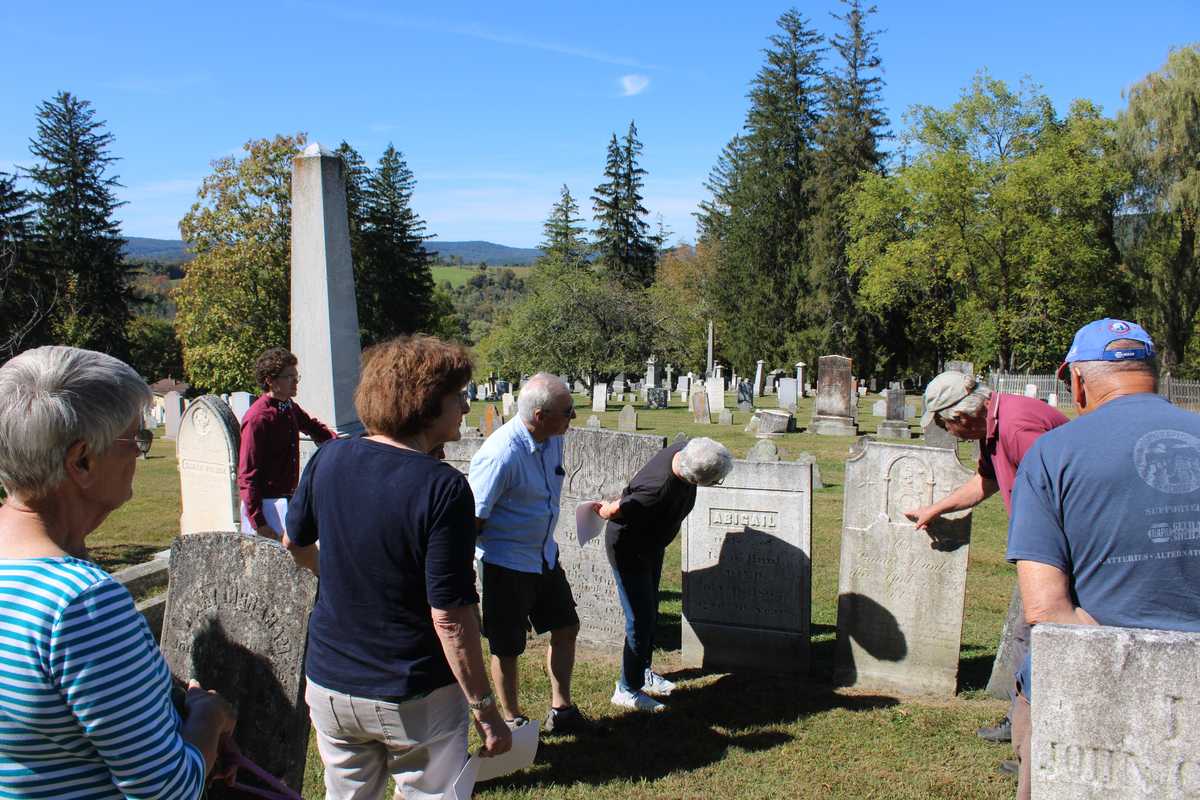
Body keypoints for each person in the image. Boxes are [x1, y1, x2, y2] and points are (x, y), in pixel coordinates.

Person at [0, 346, 237, 799]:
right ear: (83, 461)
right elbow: (167, 790)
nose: (139, 453)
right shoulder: (79, 604)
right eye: (136, 439)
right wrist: (208, 717)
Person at [285, 335, 511, 799]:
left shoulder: (328, 457)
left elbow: (295, 541)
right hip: (413, 691)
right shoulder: (443, 488)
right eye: (458, 396)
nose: (465, 408)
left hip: (330, 681)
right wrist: (485, 709)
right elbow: (449, 614)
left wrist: (338, 578)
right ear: (427, 403)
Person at [1006, 318, 1200, 800]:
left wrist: (1132, 684)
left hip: (1088, 691)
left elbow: (1045, 609)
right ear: (1154, 373)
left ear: (1076, 381)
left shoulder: (1052, 455)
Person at [904, 369, 1067, 747]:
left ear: (960, 417)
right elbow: (986, 482)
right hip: (1043, 548)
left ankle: (1037, 737)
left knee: (1041, 640)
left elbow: (1061, 492)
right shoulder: (995, 426)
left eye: (945, 425)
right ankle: (1023, 726)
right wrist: (936, 509)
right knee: (1030, 639)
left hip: (1059, 551)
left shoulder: (1019, 427)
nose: (949, 433)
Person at [468, 372, 597, 734]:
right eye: (567, 412)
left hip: (544, 556)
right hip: (505, 563)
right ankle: (512, 721)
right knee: (507, 646)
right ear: (540, 416)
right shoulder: (500, 455)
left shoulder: (552, 438)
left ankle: (563, 709)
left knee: (566, 626)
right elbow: (473, 518)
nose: (573, 417)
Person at [596, 436, 733, 712]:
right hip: (629, 551)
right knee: (640, 620)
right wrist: (598, 508)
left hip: (650, 545)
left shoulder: (685, 450)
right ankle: (626, 690)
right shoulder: (656, 491)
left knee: (650, 611)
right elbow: (610, 511)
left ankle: (642, 671)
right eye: (714, 482)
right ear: (695, 480)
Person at [237, 347, 335, 542]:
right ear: (270, 381)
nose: (295, 382)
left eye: (296, 377)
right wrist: (259, 522)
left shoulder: (289, 406)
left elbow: (313, 427)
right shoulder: (257, 418)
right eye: (289, 377)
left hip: (288, 500)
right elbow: (247, 475)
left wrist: (340, 445)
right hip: (267, 506)